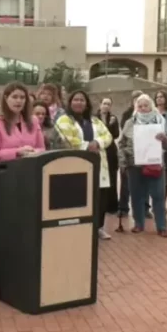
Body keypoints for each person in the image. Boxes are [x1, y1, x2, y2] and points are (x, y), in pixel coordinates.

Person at [55, 91, 113, 240]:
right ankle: (78, 228)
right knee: (79, 198)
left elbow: (108, 136)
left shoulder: (95, 120)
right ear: (70, 102)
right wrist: (88, 145)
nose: (79, 102)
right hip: (76, 164)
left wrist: (98, 143)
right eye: (76, 99)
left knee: (100, 197)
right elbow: (67, 139)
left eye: (82, 100)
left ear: (86, 103)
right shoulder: (64, 120)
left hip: (99, 164)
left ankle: (98, 227)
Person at [117, 94, 167, 238]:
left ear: (151, 106)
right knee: (136, 195)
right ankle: (139, 224)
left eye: (146, 105)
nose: (143, 108)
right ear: (136, 107)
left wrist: (165, 139)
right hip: (134, 165)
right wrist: (123, 163)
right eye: (140, 106)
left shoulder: (160, 121)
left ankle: (162, 226)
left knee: (158, 195)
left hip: (155, 164)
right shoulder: (130, 122)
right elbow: (122, 144)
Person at [0, 81, 45, 162]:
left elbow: (42, 148)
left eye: (22, 97)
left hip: (31, 169)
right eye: (14, 97)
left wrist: (33, 152)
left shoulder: (34, 121)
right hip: (7, 170)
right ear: (6, 99)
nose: (19, 101)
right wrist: (17, 152)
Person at [119, 90, 152, 220]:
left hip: (146, 157)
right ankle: (123, 207)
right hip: (131, 156)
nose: (142, 106)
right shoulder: (127, 116)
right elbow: (124, 136)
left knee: (146, 185)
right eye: (137, 101)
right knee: (126, 184)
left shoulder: (153, 118)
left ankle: (145, 208)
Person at [97, 97, 120, 216]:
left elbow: (116, 135)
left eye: (108, 104)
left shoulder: (113, 118)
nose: (106, 106)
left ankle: (111, 205)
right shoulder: (94, 118)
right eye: (104, 103)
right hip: (98, 150)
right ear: (100, 104)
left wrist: (111, 125)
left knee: (112, 177)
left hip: (110, 151)